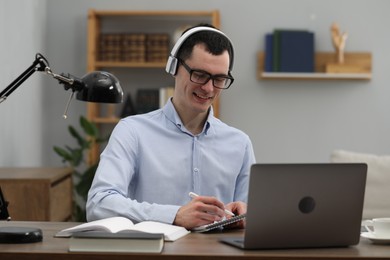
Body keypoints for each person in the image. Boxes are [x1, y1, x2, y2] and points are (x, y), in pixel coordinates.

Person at [86, 24, 256, 230]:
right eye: (200, 75)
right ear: (173, 67)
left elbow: (252, 215)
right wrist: (174, 215)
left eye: (219, 79)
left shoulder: (240, 143)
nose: (209, 88)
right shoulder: (132, 132)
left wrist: (243, 215)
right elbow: (99, 204)